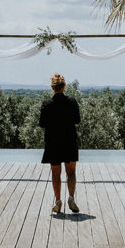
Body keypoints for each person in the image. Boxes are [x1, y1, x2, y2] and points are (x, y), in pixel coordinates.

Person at [40, 73, 80, 214]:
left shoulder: (46, 104)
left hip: (53, 142)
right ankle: (71, 197)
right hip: (69, 140)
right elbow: (77, 120)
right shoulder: (72, 101)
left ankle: (57, 201)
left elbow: (42, 123)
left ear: (53, 87)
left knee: (56, 173)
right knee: (71, 172)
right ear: (64, 86)